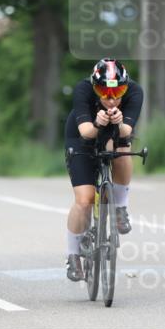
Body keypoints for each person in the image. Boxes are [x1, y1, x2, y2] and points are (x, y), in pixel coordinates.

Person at [64, 58, 144, 282]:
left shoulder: (135, 92)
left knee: (122, 147)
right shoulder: (83, 90)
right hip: (82, 135)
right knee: (85, 199)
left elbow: (126, 130)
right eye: (103, 91)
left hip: (115, 134)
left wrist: (118, 123)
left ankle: (120, 208)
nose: (111, 98)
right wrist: (98, 123)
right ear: (94, 86)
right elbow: (86, 132)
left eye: (118, 90)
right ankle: (73, 255)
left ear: (126, 86)